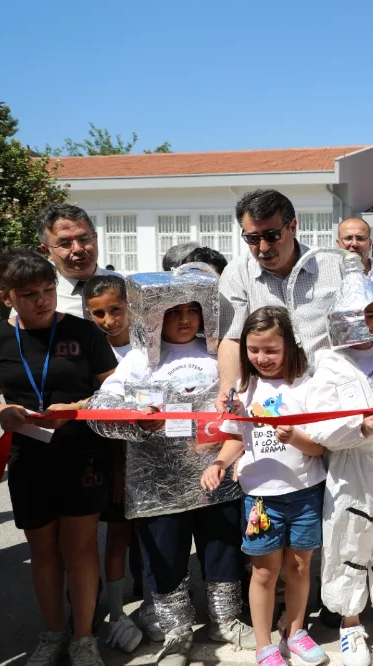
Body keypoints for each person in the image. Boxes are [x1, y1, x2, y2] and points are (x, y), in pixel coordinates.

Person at [88, 270, 255, 666]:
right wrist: (132, 416)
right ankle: (175, 633)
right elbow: (98, 409)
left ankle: (226, 620)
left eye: (192, 310)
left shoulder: (219, 355)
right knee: (165, 557)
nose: (184, 319)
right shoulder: (137, 361)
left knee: (222, 550)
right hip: (158, 483)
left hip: (218, 474)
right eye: (173, 311)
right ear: (154, 315)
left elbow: (246, 398)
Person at [0, 248, 119, 666]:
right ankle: (52, 633)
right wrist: (1, 412)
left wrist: (79, 406)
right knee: (43, 550)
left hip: (81, 453)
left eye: (48, 290)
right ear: (5, 295)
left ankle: (84, 637)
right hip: (27, 457)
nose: (42, 300)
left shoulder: (85, 333)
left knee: (80, 549)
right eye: (29, 294)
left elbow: (116, 391)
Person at [303, 262, 373, 666]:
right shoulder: (330, 362)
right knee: (346, 540)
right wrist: (357, 428)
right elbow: (317, 423)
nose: (365, 321)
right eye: (357, 314)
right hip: (350, 468)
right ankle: (350, 623)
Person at [203, 307, 327, 666]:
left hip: (305, 492)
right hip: (260, 498)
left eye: (271, 350)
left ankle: (296, 631)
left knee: (301, 567)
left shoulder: (306, 386)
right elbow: (235, 439)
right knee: (263, 572)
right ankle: (264, 646)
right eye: (254, 350)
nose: (262, 358)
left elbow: (318, 447)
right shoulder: (243, 389)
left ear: (288, 345)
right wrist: (219, 463)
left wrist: (295, 437)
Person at [217, 189, 345, 409]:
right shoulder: (237, 273)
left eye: (272, 236)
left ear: (293, 227)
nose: (263, 248)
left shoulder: (334, 267)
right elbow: (232, 338)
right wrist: (230, 391)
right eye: (253, 238)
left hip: (331, 397)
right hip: (270, 403)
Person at [82, 275, 144, 652]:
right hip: (110, 455)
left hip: (149, 453)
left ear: (129, 306)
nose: (108, 320)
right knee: (118, 534)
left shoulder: (146, 347)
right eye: (98, 314)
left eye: (115, 309)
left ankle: (155, 605)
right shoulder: (91, 354)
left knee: (150, 535)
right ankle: (117, 611)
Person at [36, 203, 118, 318]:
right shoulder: (36, 299)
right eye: (65, 243)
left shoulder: (126, 288)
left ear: (95, 238)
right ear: (47, 251)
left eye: (84, 239)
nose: (78, 249)